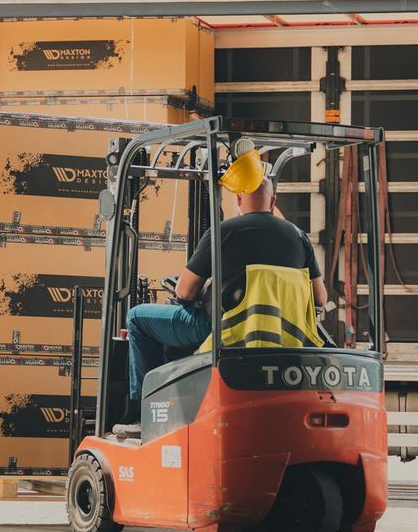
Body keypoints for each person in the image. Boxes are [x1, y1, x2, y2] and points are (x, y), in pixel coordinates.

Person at [125, 148, 328, 405]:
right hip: (285, 337)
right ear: (273, 202)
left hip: (223, 332)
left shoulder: (223, 232)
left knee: (136, 318)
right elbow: (320, 298)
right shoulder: (299, 237)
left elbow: (184, 292)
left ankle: (145, 408)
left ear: (239, 200)